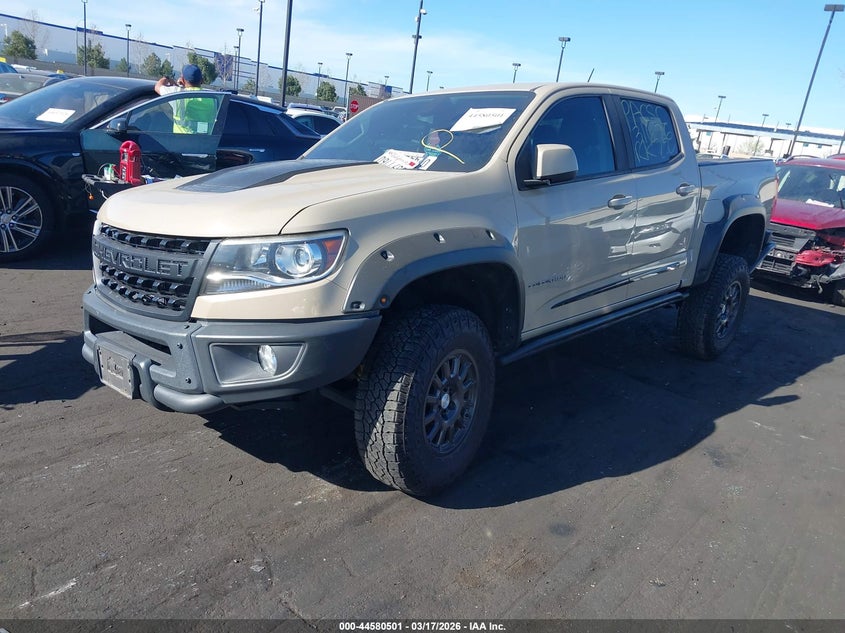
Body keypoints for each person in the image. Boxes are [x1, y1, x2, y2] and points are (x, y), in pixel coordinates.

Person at [153, 64, 217, 134]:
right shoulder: (213, 98)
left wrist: (167, 78)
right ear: (202, 80)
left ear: (182, 80)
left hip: (181, 140)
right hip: (206, 139)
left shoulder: (178, 94)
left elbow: (157, 87)